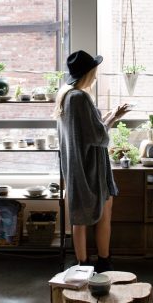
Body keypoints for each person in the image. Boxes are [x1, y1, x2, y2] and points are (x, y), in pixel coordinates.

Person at [54, 50, 130, 272]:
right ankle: (103, 262)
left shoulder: (66, 96)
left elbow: (89, 130)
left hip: (77, 167)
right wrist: (113, 119)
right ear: (88, 73)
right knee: (103, 215)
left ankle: (83, 265)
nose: (96, 75)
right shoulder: (80, 98)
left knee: (79, 217)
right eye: (94, 71)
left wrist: (111, 116)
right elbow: (98, 137)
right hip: (91, 168)